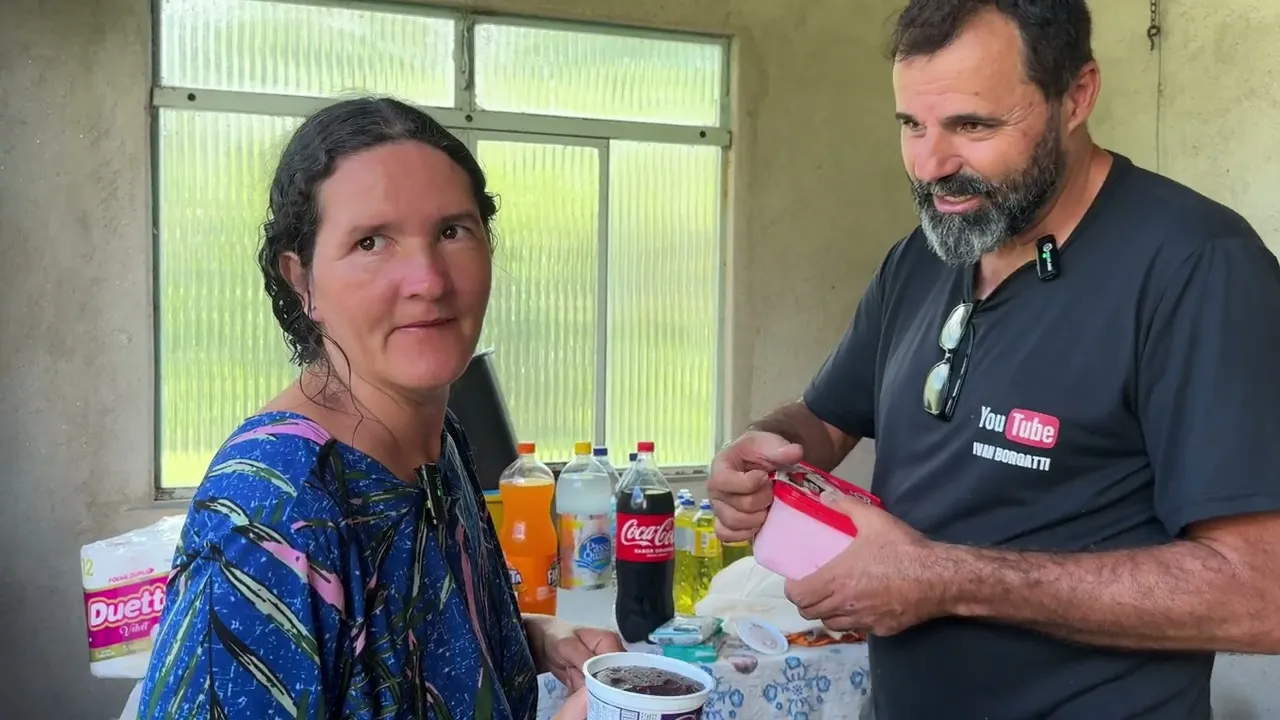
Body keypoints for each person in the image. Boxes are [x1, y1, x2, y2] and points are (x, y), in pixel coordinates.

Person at [709, 1, 1280, 718]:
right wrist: (761, 449)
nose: (931, 166)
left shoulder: (1198, 267)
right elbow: (824, 420)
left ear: (1077, 95)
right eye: (912, 125)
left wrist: (945, 581)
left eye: (973, 126)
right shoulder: (924, 256)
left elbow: (1262, 594)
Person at [138, 97, 623, 719]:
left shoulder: (440, 441)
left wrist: (535, 637)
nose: (429, 280)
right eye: (371, 241)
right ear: (302, 280)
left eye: (452, 231)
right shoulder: (273, 516)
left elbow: (417, 649)